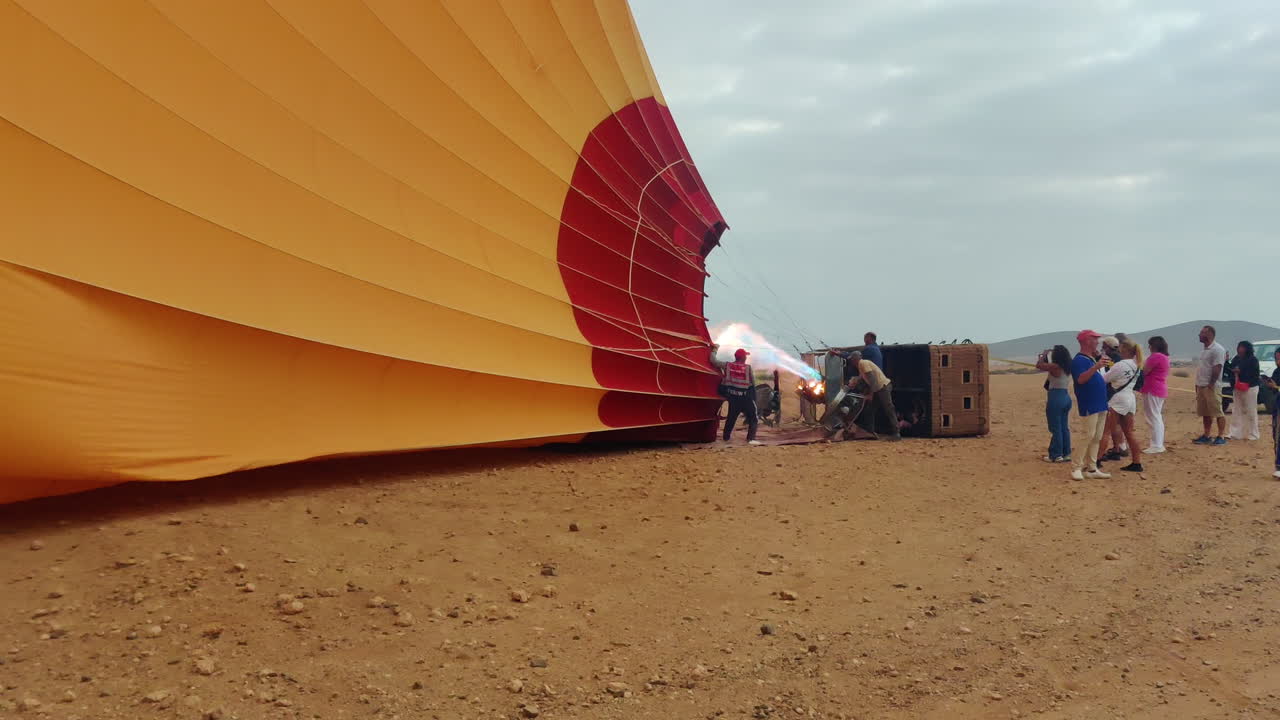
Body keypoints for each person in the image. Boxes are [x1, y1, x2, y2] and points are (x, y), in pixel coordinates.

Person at [1070, 330, 1112, 480]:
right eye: (1095, 339)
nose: (1097, 341)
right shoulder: (1079, 360)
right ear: (1087, 341)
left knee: (1097, 436)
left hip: (1100, 403)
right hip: (1089, 403)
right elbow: (1080, 379)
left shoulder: (1090, 359)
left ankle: (1092, 468)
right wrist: (1096, 366)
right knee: (1087, 435)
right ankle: (1076, 466)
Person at [1097, 339, 1144, 472]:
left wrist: (1098, 368)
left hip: (1118, 399)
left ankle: (1097, 460)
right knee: (1129, 433)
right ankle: (1137, 462)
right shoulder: (1137, 364)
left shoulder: (1120, 365)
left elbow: (1104, 379)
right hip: (1130, 399)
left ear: (1125, 350)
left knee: (1105, 431)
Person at [847, 350, 901, 440]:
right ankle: (869, 432)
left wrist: (871, 394)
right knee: (870, 409)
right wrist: (854, 382)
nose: (851, 362)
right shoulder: (861, 366)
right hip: (878, 389)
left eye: (852, 359)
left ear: (855, 359)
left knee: (888, 408)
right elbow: (863, 378)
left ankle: (896, 433)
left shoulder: (863, 363)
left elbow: (872, 380)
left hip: (882, 387)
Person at [712, 346, 761, 445]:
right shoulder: (748, 368)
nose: (746, 358)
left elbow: (713, 361)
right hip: (745, 397)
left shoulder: (727, 365)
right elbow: (752, 384)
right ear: (743, 357)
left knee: (731, 418)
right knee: (753, 418)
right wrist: (754, 399)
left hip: (733, 397)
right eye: (745, 356)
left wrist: (714, 350)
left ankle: (726, 438)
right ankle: (751, 439)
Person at [1036, 345, 1073, 462]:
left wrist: (1044, 355)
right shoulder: (1067, 366)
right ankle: (1066, 453)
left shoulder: (1055, 366)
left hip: (1056, 397)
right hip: (1066, 396)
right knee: (1063, 427)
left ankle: (1056, 454)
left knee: (1055, 427)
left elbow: (1039, 366)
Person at [1193, 325, 1228, 445]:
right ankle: (1207, 435)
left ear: (1209, 334)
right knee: (1205, 412)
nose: (1199, 335)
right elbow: (1202, 368)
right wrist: (1197, 384)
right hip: (1201, 385)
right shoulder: (1204, 350)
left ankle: (1221, 436)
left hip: (1212, 386)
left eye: (1202, 333)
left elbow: (1217, 367)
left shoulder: (1218, 349)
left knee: (1218, 411)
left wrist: (1211, 384)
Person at [1098, 336, 1128, 459]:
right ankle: (1119, 448)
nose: (1102, 348)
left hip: (1113, 394)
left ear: (1107, 346)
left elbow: (1105, 377)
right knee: (1117, 424)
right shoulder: (1121, 358)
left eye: (1104, 346)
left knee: (1109, 426)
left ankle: (1101, 455)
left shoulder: (1113, 360)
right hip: (1122, 395)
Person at [1142, 336, 1171, 454]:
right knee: (1156, 416)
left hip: (1152, 388)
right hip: (1158, 389)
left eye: (1150, 345)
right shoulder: (1164, 357)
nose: (1149, 347)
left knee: (1153, 417)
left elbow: (1145, 371)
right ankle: (1157, 443)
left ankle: (1157, 445)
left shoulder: (1155, 357)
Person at [1227, 340, 1261, 441]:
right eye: (1239, 347)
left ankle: (1254, 434)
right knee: (1237, 410)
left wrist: (1240, 372)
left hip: (1250, 388)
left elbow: (1253, 374)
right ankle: (1235, 433)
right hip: (1237, 387)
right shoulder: (1236, 359)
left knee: (1251, 410)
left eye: (1242, 347)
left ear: (1247, 349)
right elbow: (1230, 369)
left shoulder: (1253, 360)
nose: (1240, 349)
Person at [1263, 347, 1280, 479]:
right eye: (1276, 358)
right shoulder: (1276, 371)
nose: (1277, 361)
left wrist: (1275, 387)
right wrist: (1271, 386)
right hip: (1277, 407)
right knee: (1276, 435)